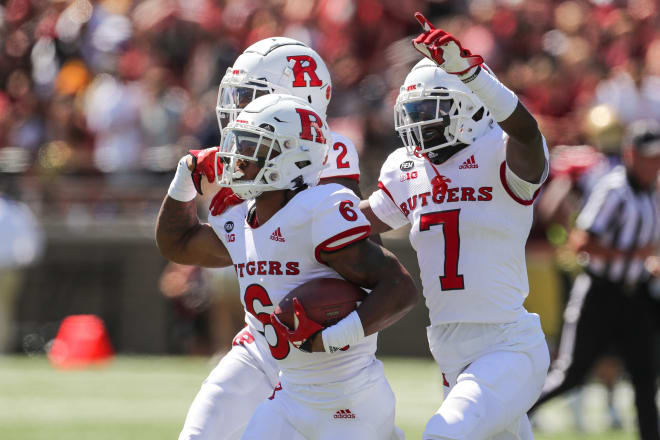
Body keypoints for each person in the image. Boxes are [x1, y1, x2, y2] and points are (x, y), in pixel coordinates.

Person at [156, 94, 417, 439]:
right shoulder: (240, 214)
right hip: (290, 394)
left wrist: (335, 336)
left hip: (349, 397)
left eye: (251, 148)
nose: (236, 157)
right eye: (238, 145)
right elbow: (176, 243)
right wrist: (184, 181)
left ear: (291, 156)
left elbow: (400, 288)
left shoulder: (317, 210)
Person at [359, 12, 550, 439]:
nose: (418, 123)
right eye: (413, 112)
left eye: (429, 110)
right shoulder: (408, 168)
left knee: (444, 433)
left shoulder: (498, 153)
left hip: (507, 345)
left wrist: (472, 74)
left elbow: (526, 132)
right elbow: (355, 223)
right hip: (449, 350)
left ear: (468, 107)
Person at [174, 37, 372, 440]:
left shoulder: (330, 152)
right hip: (261, 337)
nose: (238, 108)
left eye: (252, 97)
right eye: (239, 95)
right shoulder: (244, 153)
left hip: (312, 338)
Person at [530, 120, 660, 440]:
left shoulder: (654, 193)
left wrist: (648, 261)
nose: (654, 163)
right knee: (571, 375)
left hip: (636, 295)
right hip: (600, 294)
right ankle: (515, 415)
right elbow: (583, 242)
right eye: (649, 156)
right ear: (630, 155)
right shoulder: (614, 189)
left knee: (646, 378)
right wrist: (633, 254)